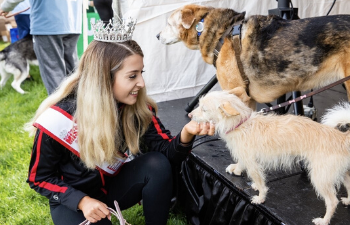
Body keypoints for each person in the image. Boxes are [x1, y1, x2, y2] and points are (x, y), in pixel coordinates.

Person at [24, 30, 215, 224]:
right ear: (104, 78)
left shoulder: (137, 108)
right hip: (72, 200)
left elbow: (167, 155)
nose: (141, 82)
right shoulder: (60, 118)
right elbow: (39, 177)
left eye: (141, 73)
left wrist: (187, 133)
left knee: (156, 163)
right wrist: (81, 201)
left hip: (112, 187)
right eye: (132, 76)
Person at [0, 0, 83, 95]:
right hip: (73, 21)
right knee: (72, 72)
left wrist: (5, 6)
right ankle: (75, 107)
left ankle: (60, 107)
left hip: (47, 23)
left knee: (54, 73)